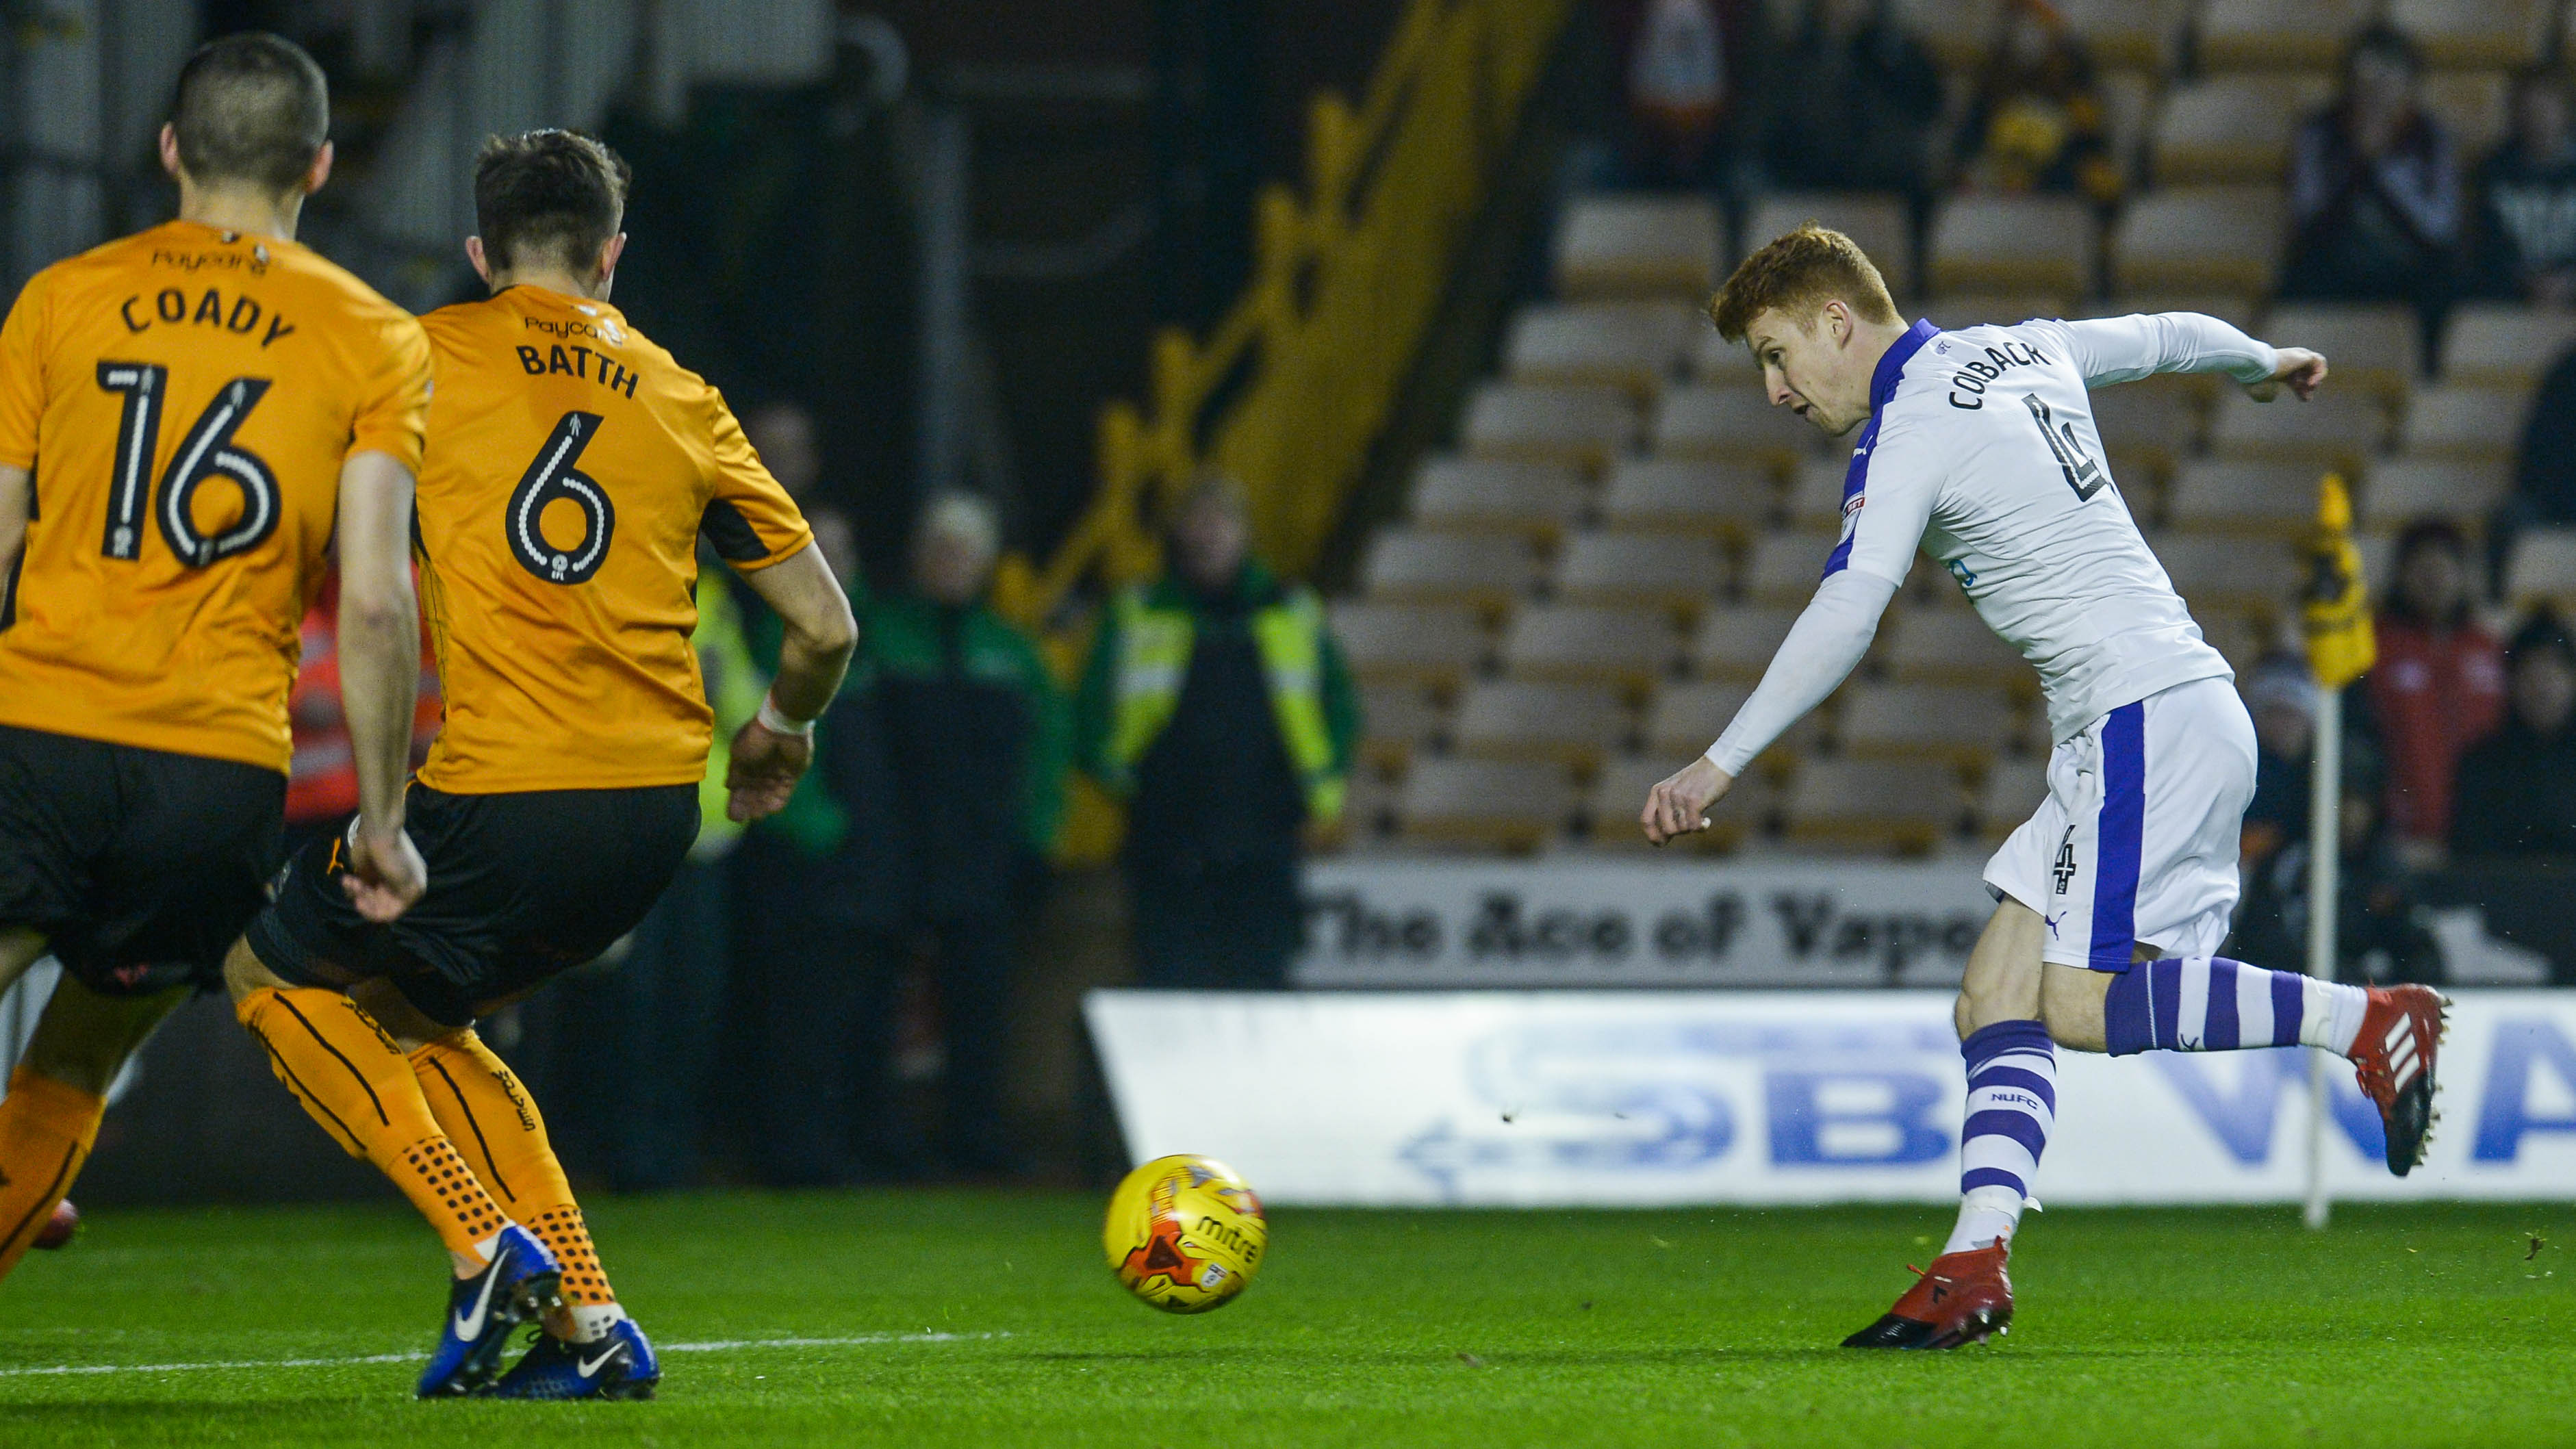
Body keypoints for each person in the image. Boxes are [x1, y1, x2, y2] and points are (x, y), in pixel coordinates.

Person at [1640, 225, 2446, 1348]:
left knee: (2074, 1004)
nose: (1775, 388)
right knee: (1993, 996)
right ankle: (1972, 1263)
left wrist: (1715, 761)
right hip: (2136, 718)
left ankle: (2366, 1018)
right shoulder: (2021, 348)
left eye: (1777, 353)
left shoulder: (1909, 422)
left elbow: (1846, 609)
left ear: (1837, 322)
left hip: (2138, 717)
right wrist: (2257, 360)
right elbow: (2165, 337)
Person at [221, 129, 856, 1400]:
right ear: (610, 257)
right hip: (650, 818)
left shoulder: (422, 355)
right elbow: (826, 626)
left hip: (502, 788)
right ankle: (591, 1321)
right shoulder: (685, 398)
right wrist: (779, 732)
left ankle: (477, 1242)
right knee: (419, 1014)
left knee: (264, 969)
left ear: (478, 253)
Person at [0, 34, 433, 1284]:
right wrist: (388, 821)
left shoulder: (61, 299)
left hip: (45, 728)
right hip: (214, 769)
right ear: (320, 161)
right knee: (76, 1060)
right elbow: (371, 603)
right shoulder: (373, 337)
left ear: (172, 148)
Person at [834, 493, 1067, 1174]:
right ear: (917, 557)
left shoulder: (1013, 652)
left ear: (987, 562)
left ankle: (976, 1138)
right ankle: (877, 1137)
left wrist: (1037, 835)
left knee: (980, 1006)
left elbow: (1049, 752)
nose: (951, 562)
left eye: (964, 550)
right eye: (940, 548)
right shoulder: (882, 633)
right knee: (877, 1004)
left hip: (984, 857)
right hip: (894, 853)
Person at [1075, 477, 1358, 991]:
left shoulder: (1291, 608)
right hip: (1165, 832)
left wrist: (1319, 780)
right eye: (1196, 520)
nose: (1208, 534)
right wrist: (1114, 773)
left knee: (1262, 986)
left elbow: (1339, 703)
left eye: (1221, 521)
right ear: (1177, 533)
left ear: (1244, 534)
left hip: (1265, 829)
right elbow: (1090, 705)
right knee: (1169, 986)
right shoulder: (1135, 609)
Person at [2279, 25, 2462, 338]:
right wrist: (2357, 167)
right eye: (2368, 75)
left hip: (2406, 266)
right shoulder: (2319, 133)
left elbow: (2439, 228)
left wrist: (2379, 168)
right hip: (2338, 264)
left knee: (2447, 288)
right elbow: (2309, 220)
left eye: (2391, 75)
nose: (2378, 88)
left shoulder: (2430, 136)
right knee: (2294, 287)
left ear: (2410, 83)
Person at [2364, 520, 2506, 860]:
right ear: (2401, 575)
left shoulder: (2489, 649)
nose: (2434, 578)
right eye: (2422, 568)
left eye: (2444, 567)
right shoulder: (2374, 647)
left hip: (2484, 840)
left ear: (2463, 575)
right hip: (2403, 841)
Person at [283, 568, 446, 858]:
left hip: (367, 800)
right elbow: (315, 706)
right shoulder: (314, 613)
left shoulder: (401, 587)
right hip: (307, 808)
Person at [1759, 0, 1944, 203]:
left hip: (1886, 189)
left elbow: (1928, 107)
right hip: (1807, 190)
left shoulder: (1899, 56)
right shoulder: (1794, 59)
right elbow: (1775, 134)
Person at [1953, 0, 2119, 205]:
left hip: (2055, 192)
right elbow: (1967, 144)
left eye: (2036, 13)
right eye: (2021, 12)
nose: (2029, 20)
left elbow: (2091, 147)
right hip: (1994, 194)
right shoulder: (1994, 76)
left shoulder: (2076, 78)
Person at [2450, 611, 2576, 860]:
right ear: (2511, 681)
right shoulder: (2482, 763)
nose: (2542, 685)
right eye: (2531, 670)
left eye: (2553, 670)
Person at [2469, 68, 2576, 307]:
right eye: (2529, 110)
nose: (2538, 120)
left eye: (2547, 108)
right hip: (2510, 293)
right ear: (2514, 114)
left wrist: (2569, 282)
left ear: (2566, 111)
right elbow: (2486, 248)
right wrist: (2527, 281)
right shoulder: (2493, 169)